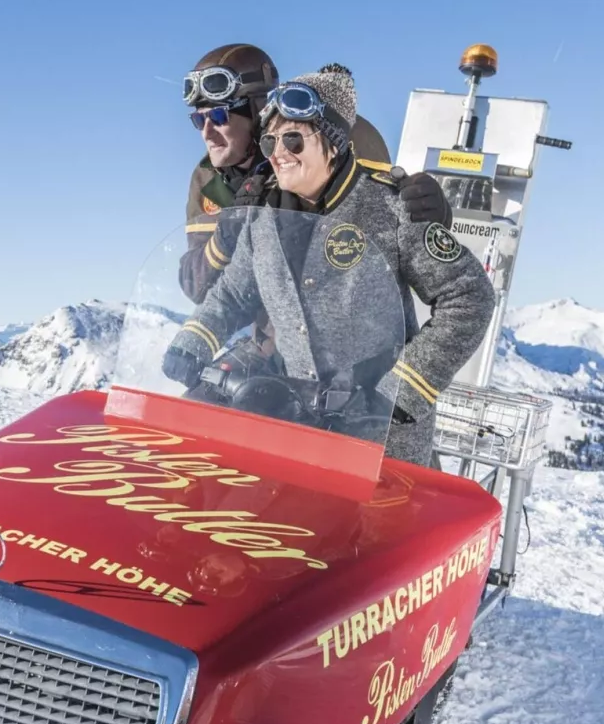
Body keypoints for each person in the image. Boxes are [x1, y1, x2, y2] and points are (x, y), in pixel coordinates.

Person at [163, 65, 496, 467]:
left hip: (378, 434)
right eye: (270, 143)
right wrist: (193, 341)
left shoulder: (389, 208)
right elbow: (233, 294)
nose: (279, 154)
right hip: (296, 425)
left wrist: (404, 390)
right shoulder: (262, 215)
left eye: (293, 140)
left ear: (334, 142)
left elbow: (469, 296)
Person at [178, 45, 456, 381]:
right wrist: (229, 232)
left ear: (258, 109)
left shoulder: (344, 139)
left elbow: (384, 223)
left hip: (357, 360)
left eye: (219, 116)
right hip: (273, 347)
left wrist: (435, 214)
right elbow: (200, 288)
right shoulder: (209, 179)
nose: (206, 133)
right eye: (198, 120)